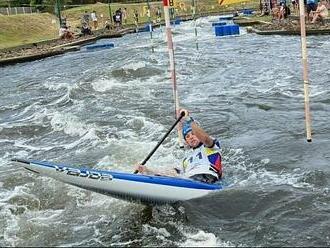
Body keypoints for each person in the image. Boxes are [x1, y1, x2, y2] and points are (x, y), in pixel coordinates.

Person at [135, 109, 223, 184]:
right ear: (186, 142)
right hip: (189, 180)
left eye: (193, 134)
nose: (191, 137)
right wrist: (148, 171)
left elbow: (205, 139)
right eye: (187, 137)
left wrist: (188, 119)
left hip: (207, 179)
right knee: (173, 172)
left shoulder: (211, 146)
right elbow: (174, 173)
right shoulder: (186, 160)